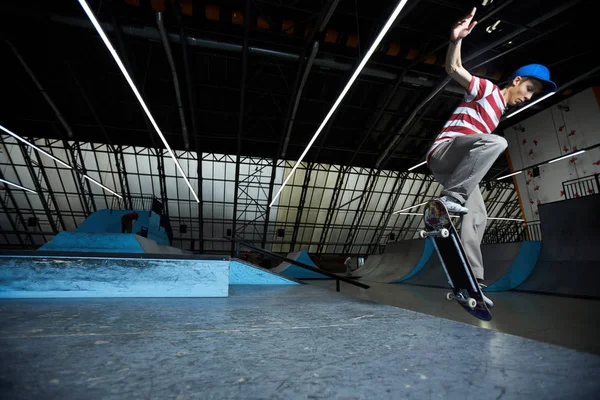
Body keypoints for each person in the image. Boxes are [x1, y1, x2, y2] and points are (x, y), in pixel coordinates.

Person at [426, 7, 556, 308]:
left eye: (534, 94)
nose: (529, 96)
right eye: (529, 88)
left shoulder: (497, 114)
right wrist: (455, 39)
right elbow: (454, 69)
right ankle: (450, 199)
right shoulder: (487, 92)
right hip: (445, 152)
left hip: (453, 170)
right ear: (517, 80)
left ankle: (471, 282)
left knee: (478, 215)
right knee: (497, 141)